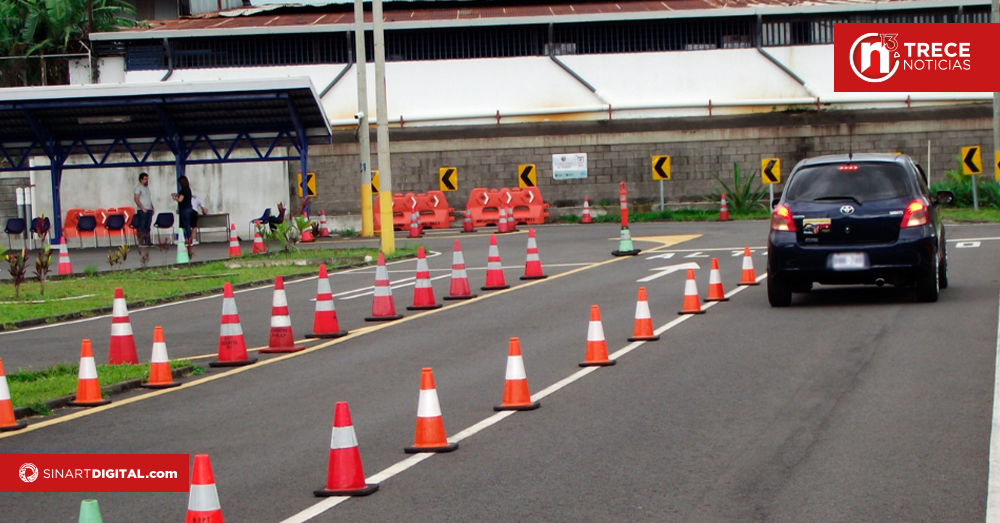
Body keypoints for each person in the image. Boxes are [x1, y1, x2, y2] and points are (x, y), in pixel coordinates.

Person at [171, 176, 195, 246]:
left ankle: (189, 238)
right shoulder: (188, 189)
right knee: (187, 224)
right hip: (189, 208)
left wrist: (174, 198)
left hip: (184, 209)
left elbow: (180, 200)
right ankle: (188, 238)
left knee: (186, 225)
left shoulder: (184, 190)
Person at [132, 172, 153, 245]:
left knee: (148, 226)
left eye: (147, 179)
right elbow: (136, 199)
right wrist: (142, 208)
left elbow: (149, 198)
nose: (146, 180)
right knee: (141, 226)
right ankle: (141, 242)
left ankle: (148, 241)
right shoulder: (138, 188)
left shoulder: (147, 188)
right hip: (142, 210)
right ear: (141, 180)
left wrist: (152, 207)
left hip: (149, 209)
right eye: (145, 179)